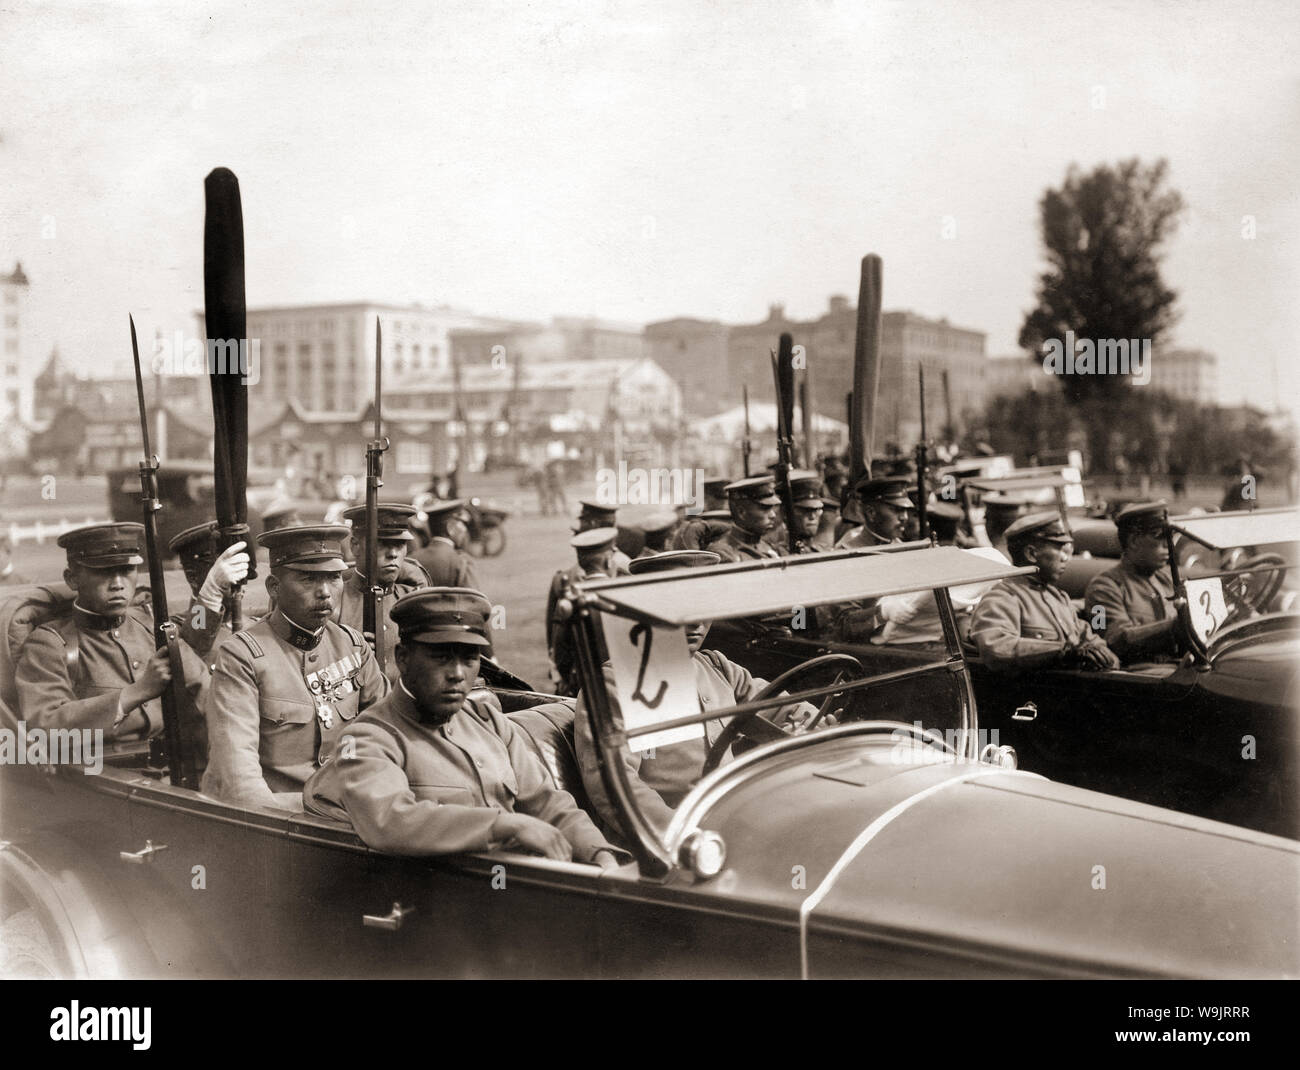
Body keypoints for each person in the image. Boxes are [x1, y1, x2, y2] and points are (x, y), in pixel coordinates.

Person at [303, 588, 626, 867]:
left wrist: (599, 855)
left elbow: (548, 803)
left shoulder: (489, 721)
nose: (457, 673)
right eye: (441, 658)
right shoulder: (368, 739)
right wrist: (504, 825)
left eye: (469, 658)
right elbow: (391, 821)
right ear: (403, 658)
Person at [574, 550, 817, 835]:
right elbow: (615, 787)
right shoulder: (616, 684)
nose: (696, 622)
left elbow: (779, 704)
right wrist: (682, 836)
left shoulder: (717, 667)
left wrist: (816, 721)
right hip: (670, 846)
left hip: (736, 818)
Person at [201, 525, 389, 810]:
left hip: (349, 808)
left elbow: (387, 734)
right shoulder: (242, 656)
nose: (325, 592)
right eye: (308, 579)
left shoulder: (353, 646)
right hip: (279, 821)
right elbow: (240, 779)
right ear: (274, 587)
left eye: (334, 577)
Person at [15, 523, 184, 740]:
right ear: (72, 579)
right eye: (103, 572)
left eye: (126, 570)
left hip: (175, 760)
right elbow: (46, 726)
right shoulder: (50, 644)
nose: (117, 584)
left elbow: (196, 655)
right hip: (103, 768)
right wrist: (137, 692)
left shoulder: (150, 623)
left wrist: (209, 599)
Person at [969, 513, 1121, 674]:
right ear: (1031, 554)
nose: (1065, 558)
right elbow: (996, 648)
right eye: (1059, 549)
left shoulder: (1059, 598)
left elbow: (1091, 641)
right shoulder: (1003, 598)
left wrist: (1105, 658)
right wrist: (1063, 651)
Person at [335, 502, 430, 678]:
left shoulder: (414, 602)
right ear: (355, 546)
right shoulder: (335, 603)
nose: (393, 553)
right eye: (382, 543)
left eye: (400, 544)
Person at [1083, 501, 1180, 663]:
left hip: (1175, 669)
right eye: (1159, 536)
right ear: (1134, 541)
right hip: (1138, 674)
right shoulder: (1102, 588)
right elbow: (1112, 640)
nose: (1168, 545)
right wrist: (1175, 627)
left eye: (1169, 537)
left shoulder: (1164, 580)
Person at [546, 527, 618, 696]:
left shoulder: (569, 600)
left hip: (583, 688)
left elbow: (560, 655)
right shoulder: (620, 596)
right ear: (608, 560)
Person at [168, 522, 252, 660]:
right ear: (192, 577)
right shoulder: (174, 632)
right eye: (225, 572)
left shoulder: (258, 627)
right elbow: (188, 655)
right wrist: (212, 593)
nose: (239, 580)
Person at [707, 477, 783, 562]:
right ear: (741, 512)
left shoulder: (767, 546)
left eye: (772, 508)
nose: (773, 515)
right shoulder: (722, 554)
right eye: (765, 509)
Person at [410, 499, 479, 591]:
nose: (464, 530)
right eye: (462, 524)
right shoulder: (462, 563)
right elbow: (474, 602)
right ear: (450, 528)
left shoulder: (412, 560)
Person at [834, 476, 916, 549]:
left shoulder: (903, 548)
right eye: (897, 510)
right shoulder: (847, 552)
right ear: (871, 513)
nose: (904, 517)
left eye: (905, 510)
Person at [574, 499, 631, 573]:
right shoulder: (622, 561)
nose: (580, 527)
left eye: (582, 521)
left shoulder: (590, 565)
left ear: (593, 523)